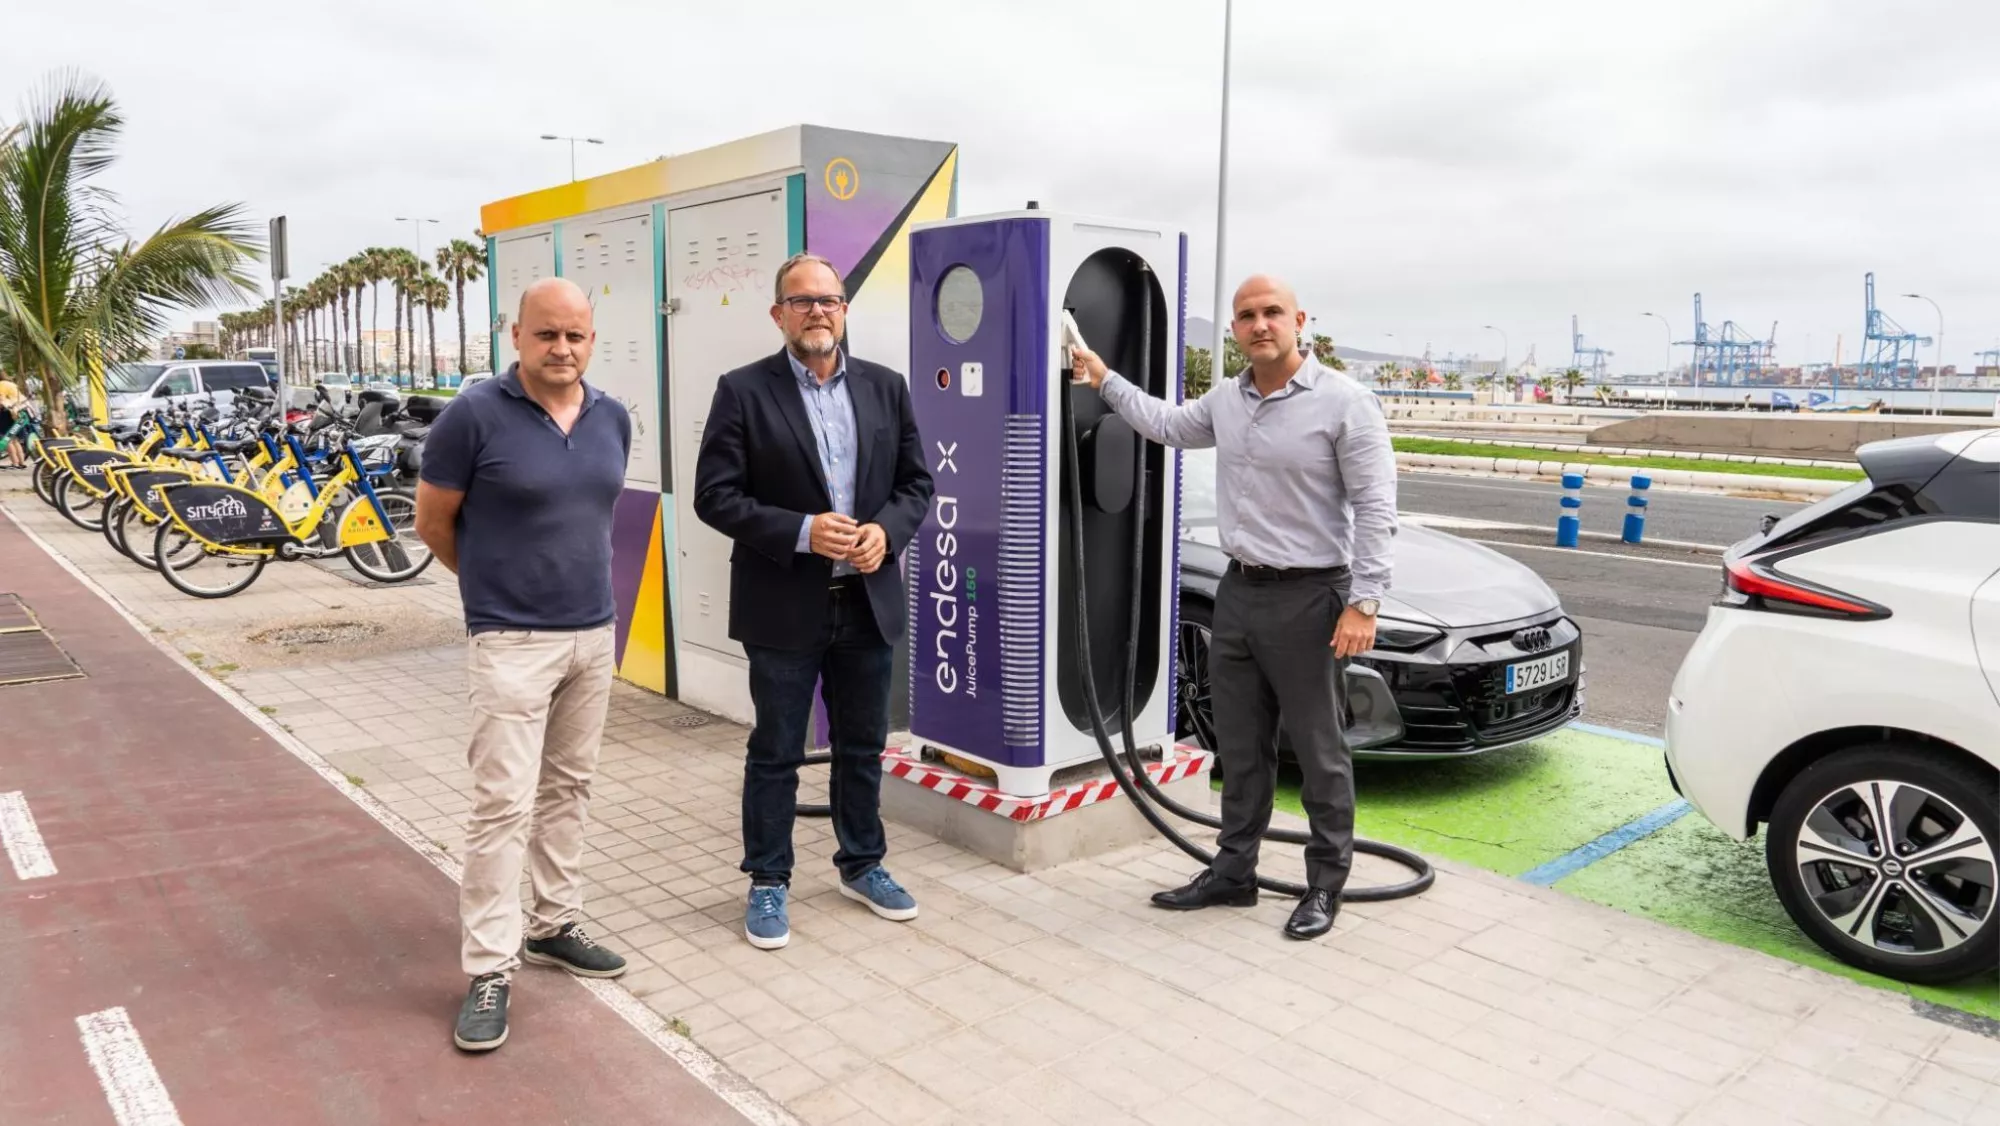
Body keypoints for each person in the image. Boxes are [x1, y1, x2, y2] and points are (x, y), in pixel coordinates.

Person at [1070, 274, 1397, 941]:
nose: (1259, 324)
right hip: (1240, 592)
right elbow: (1163, 423)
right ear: (1234, 330)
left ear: (1299, 319)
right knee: (1241, 748)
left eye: (1272, 312)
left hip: (1313, 597)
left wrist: (1364, 603)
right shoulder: (1227, 400)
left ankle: (1324, 886)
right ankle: (1234, 872)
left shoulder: (1345, 403)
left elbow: (1375, 506)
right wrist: (1103, 377)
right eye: (1246, 316)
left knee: (1319, 751)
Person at [414, 277, 633, 1052]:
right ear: (518, 335)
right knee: (502, 805)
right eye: (547, 335)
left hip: (592, 635)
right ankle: (488, 967)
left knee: (569, 787)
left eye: (575, 335)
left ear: (592, 339)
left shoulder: (612, 417)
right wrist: (495, 594)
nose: (562, 349)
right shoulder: (473, 415)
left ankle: (552, 925)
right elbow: (435, 523)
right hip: (510, 640)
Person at [693, 252, 934, 951]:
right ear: (779, 315)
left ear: (844, 310)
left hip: (867, 599)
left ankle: (863, 864)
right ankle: (768, 879)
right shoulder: (742, 390)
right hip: (784, 602)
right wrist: (802, 531)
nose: (817, 311)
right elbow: (717, 495)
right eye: (801, 301)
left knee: (862, 745)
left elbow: (917, 486)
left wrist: (885, 534)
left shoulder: (886, 388)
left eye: (828, 299)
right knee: (776, 749)